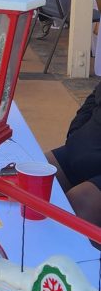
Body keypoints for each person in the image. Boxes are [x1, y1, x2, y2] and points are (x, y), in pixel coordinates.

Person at [47, 83, 101, 235]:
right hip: (88, 144)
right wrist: (75, 132)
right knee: (35, 176)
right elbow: (95, 96)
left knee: (80, 202)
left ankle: (77, 257)